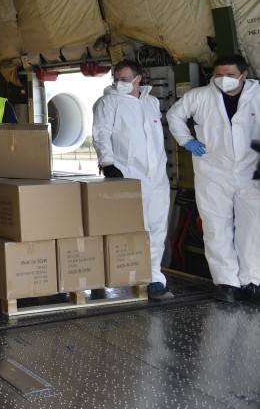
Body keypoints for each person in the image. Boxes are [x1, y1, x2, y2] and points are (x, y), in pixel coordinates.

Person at [167, 55, 260, 304]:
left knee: (253, 228)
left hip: (252, 171)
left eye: (230, 75)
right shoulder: (199, 96)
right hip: (213, 170)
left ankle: (252, 281)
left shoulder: (258, 95)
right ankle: (226, 282)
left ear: (244, 75)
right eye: (219, 75)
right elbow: (174, 115)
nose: (223, 79)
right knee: (216, 227)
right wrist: (187, 140)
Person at [91, 60, 174, 301]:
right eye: (116, 79)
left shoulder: (151, 102)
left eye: (125, 79)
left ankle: (155, 278)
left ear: (139, 79)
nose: (119, 83)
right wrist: (107, 163)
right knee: (134, 227)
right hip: (128, 173)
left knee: (157, 227)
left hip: (156, 177)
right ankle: (133, 275)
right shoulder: (108, 102)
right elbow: (101, 133)